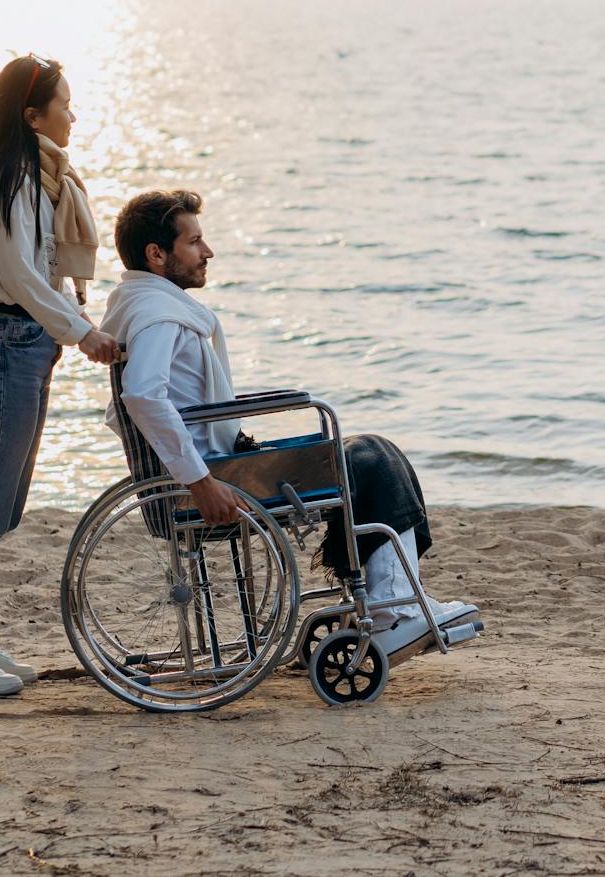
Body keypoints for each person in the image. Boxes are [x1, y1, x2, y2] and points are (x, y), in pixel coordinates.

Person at [99, 188, 477, 657]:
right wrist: (199, 481)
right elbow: (141, 396)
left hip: (216, 465)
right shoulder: (158, 316)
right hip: (209, 481)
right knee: (372, 460)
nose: (208, 251)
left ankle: (393, 601)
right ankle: (392, 610)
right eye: (193, 242)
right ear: (157, 254)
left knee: (373, 452)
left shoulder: (141, 305)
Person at [0, 55, 120, 697]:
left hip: (25, 346)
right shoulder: (16, 178)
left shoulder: (40, 177)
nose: (73, 116)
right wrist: (82, 333)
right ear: (33, 116)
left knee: (2, 507)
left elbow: (45, 275)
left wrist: (77, 321)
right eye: (65, 105)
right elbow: (23, 278)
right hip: (4, 346)